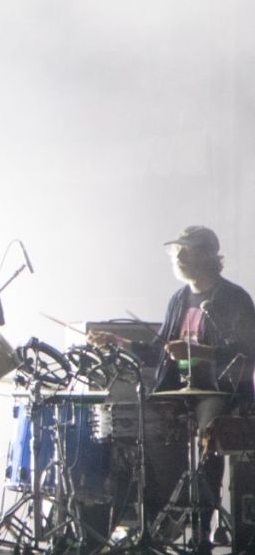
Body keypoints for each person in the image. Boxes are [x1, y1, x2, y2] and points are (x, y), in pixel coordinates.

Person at [93, 225, 255, 550]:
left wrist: (198, 352)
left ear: (207, 255)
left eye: (186, 249)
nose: (178, 256)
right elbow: (161, 351)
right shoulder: (178, 299)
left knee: (209, 433)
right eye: (175, 250)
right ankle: (156, 515)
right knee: (140, 425)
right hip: (177, 390)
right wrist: (119, 342)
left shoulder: (234, 298)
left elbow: (247, 350)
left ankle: (203, 529)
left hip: (218, 391)